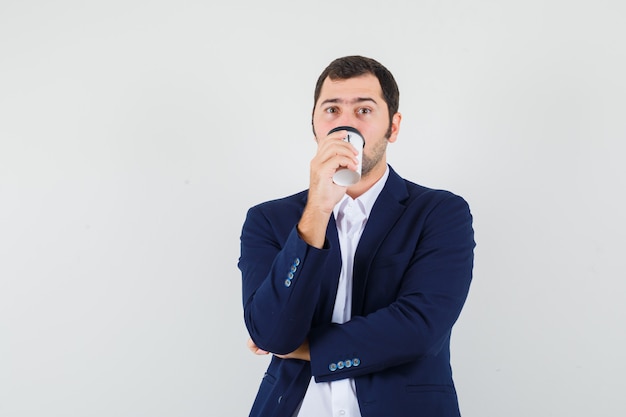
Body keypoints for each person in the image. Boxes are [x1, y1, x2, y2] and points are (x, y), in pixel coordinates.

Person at [238, 55, 475, 417]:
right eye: (331, 109)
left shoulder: (439, 212)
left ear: (392, 127)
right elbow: (271, 333)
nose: (344, 123)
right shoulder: (269, 219)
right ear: (315, 125)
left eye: (364, 110)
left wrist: (304, 348)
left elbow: (419, 329)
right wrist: (317, 209)